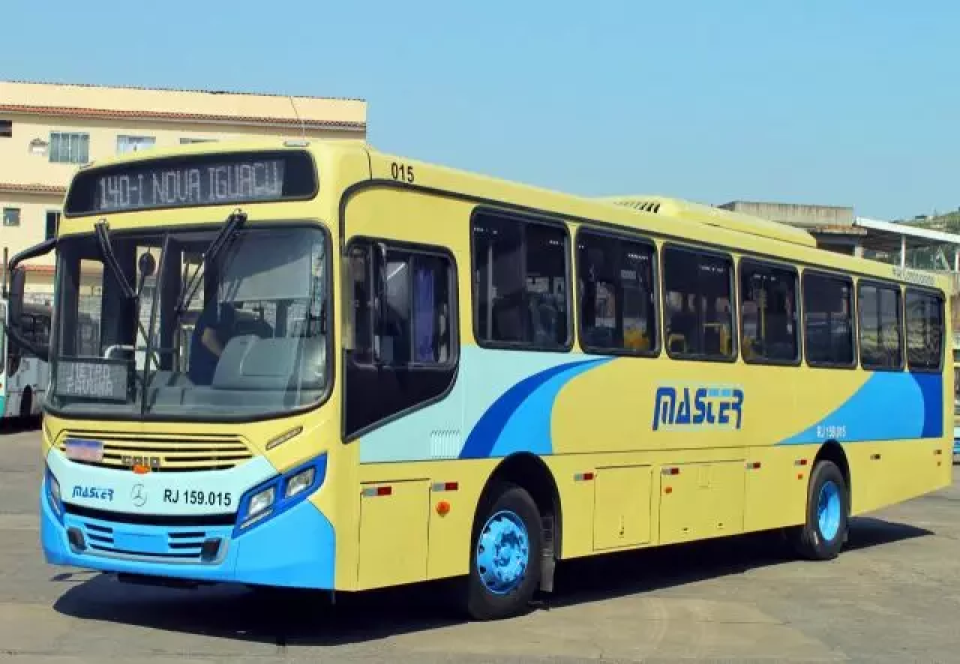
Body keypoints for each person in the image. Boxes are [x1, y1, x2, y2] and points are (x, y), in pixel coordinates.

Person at [188, 300, 235, 385]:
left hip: (215, 376)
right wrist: (230, 360)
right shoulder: (217, 306)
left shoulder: (228, 308)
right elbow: (208, 338)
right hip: (206, 377)